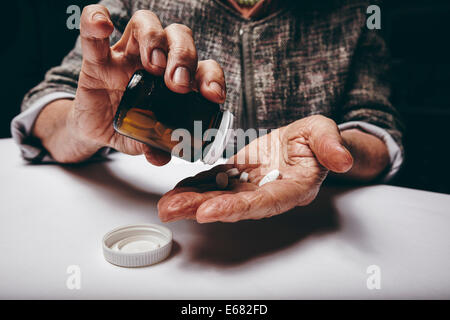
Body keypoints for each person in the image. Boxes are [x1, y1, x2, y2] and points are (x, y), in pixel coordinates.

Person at [11, 0, 403, 223]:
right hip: (169, 237)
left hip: (312, 235)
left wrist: (322, 148)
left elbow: (375, 126)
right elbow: (49, 101)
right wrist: (84, 128)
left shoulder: (351, 11)